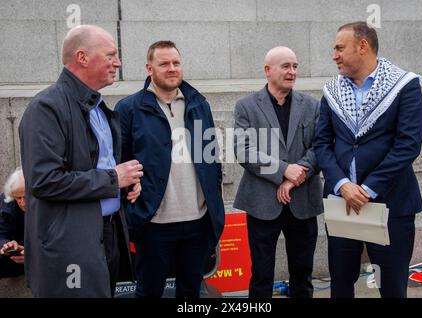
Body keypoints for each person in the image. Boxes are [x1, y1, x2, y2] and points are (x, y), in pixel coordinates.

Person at [18, 25, 144, 298]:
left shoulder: (98, 107)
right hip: (70, 246)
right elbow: (45, 181)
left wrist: (123, 185)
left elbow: (96, 171)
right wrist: (114, 178)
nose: (118, 63)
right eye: (111, 55)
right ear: (83, 58)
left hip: (105, 236)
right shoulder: (46, 107)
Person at [313, 21, 422, 298]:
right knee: (340, 284)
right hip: (342, 203)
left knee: (392, 286)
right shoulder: (332, 91)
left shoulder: (404, 85)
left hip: (391, 203)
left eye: (339, 48)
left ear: (362, 46)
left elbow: (408, 145)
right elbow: (321, 144)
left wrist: (367, 188)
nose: (334, 55)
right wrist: (342, 184)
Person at [115, 40, 225, 298]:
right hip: (154, 223)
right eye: (164, 63)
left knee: (191, 292)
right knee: (149, 292)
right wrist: (132, 201)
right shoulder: (129, 109)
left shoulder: (199, 104)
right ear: (149, 68)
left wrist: (215, 199)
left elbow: (212, 158)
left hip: (198, 221)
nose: (172, 68)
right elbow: (119, 164)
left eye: (176, 62)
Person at [233, 46, 323, 298]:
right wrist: (284, 171)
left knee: (303, 274)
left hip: (303, 200)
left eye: (295, 66)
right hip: (262, 203)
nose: (292, 72)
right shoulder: (246, 106)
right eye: (286, 66)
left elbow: (321, 146)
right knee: (261, 275)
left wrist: (295, 178)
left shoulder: (312, 105)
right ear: (267, 70)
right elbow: (243, 151)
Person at [0, 167, 25, 278]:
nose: (22, 203)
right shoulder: (8, 201)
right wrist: (6, 245)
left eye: (26, 197)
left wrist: (34, 255)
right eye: (18, 198)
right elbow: (1, 233)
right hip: (12, 258)